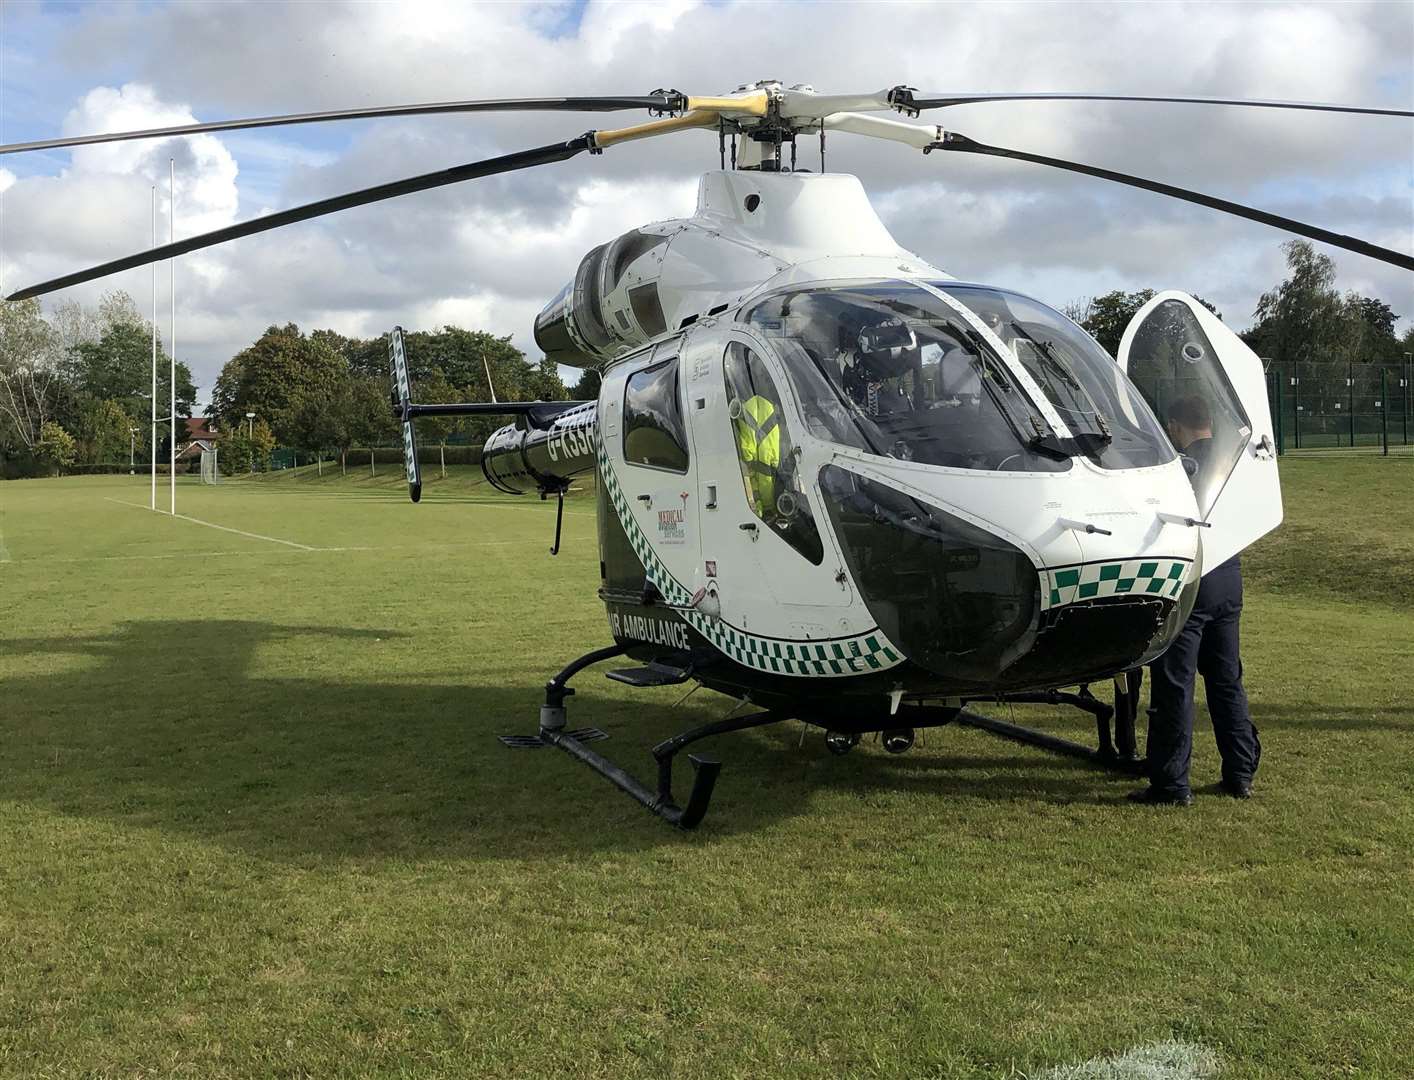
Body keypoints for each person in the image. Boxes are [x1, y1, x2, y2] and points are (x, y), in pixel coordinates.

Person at [1129, 394, 1261, 806]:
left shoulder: (1177, 470)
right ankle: (1240, 772)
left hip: (1189, 582)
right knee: (1226, 681)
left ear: (1173, 426)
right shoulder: (1234, 465)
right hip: (1229, 580)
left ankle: (1171, 784)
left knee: (1174, 683)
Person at [733, 392, 781, 519]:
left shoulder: (747, 409)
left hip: (765, 494)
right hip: (770, 491)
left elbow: (747, 451)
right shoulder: (774, 407)